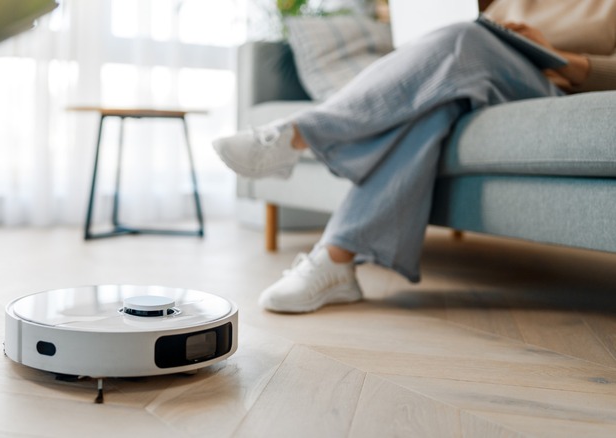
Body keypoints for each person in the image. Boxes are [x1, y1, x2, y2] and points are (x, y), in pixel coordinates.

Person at [213, 0, 616, 313]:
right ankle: (336, 259)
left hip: (553, 84)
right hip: (485, 76)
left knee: (464, 40)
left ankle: (301, 133)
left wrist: (562, 57)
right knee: (433, 104)